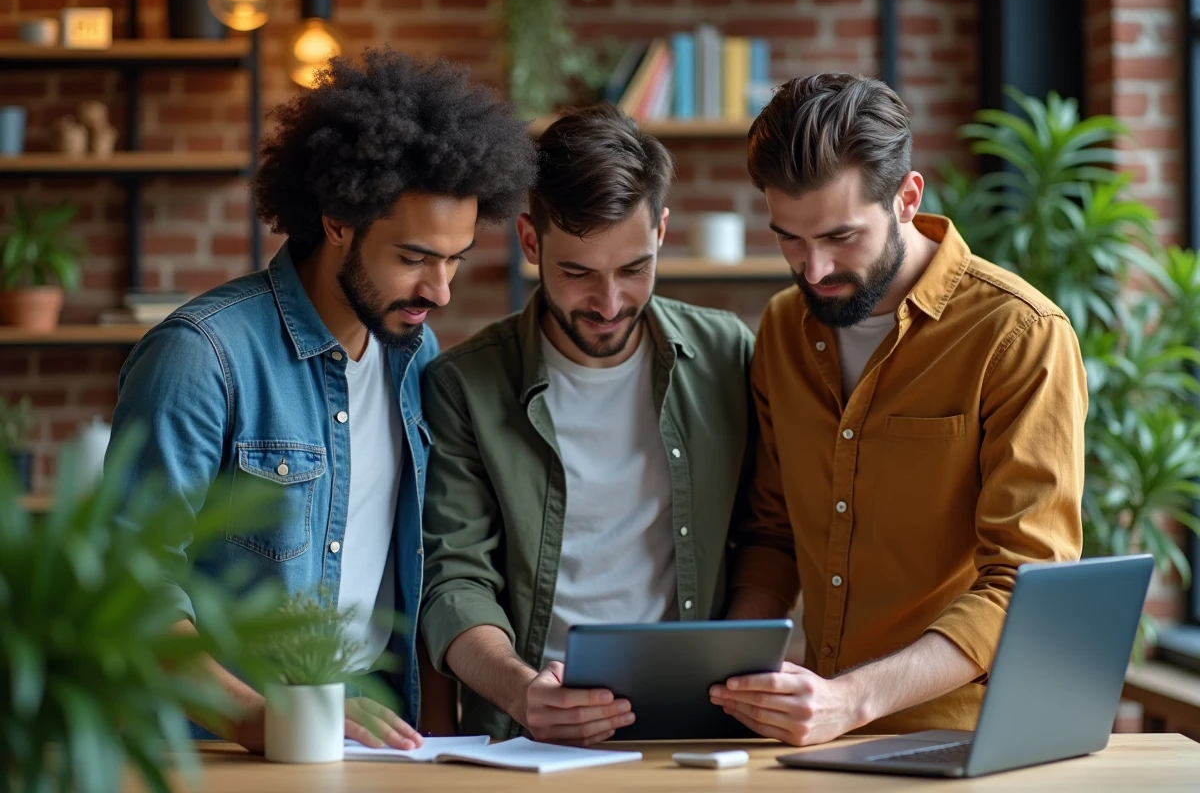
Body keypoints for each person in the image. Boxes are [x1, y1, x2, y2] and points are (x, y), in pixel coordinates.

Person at [106, 49, 537, 752]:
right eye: (414, 258)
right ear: (338, 220)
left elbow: (416, 566)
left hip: (371, 722)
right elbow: (132, 594)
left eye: (454, 259)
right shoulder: (201, 357)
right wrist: (263, 720)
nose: (441, 291)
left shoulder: (414, 354)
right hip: (216, 736)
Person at [708, 72, 1087, 747]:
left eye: (840, 237)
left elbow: (1026, 585)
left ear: (907, 198)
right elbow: (773, 533)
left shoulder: (1020, 334)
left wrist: (850, 701)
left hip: (967, 742)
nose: (814, 268)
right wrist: (739, 679)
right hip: (808, 738)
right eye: (789, 239)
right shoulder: (781, 329)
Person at [418, 104, 762, 744]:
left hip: (701, 726)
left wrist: (731, 673)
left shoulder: (726, 355)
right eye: (577, 274)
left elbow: (767, 535)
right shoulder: (463, 385)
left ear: (660, 230)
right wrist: (525, 694)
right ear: (530, 242)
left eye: (634, 269)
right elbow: (453, 580)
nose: (609, 304)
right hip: (528, 734)